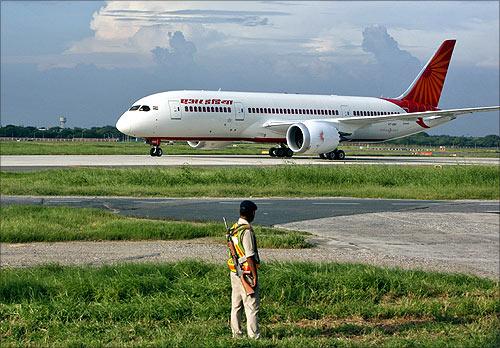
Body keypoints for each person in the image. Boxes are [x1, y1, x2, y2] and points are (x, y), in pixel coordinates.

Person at [227, 200, 260, 339]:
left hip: (235, 271)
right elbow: (250, 256)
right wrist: (254, 275)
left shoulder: (233, 228)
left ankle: (237, 334)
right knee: (251, 306)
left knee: (236, 305)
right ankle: (254, 336)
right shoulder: (246, 231)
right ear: (251, 213)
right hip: (246, 272)